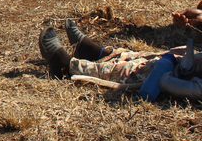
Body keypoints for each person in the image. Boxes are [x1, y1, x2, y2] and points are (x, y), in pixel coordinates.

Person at [38, 20, 201, 101]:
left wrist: (175, 68)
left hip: (170, 77)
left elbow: (167, 82)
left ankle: (66, 66)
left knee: (133, 71)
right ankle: (97, 53)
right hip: (182, 63)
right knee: (144, 56)